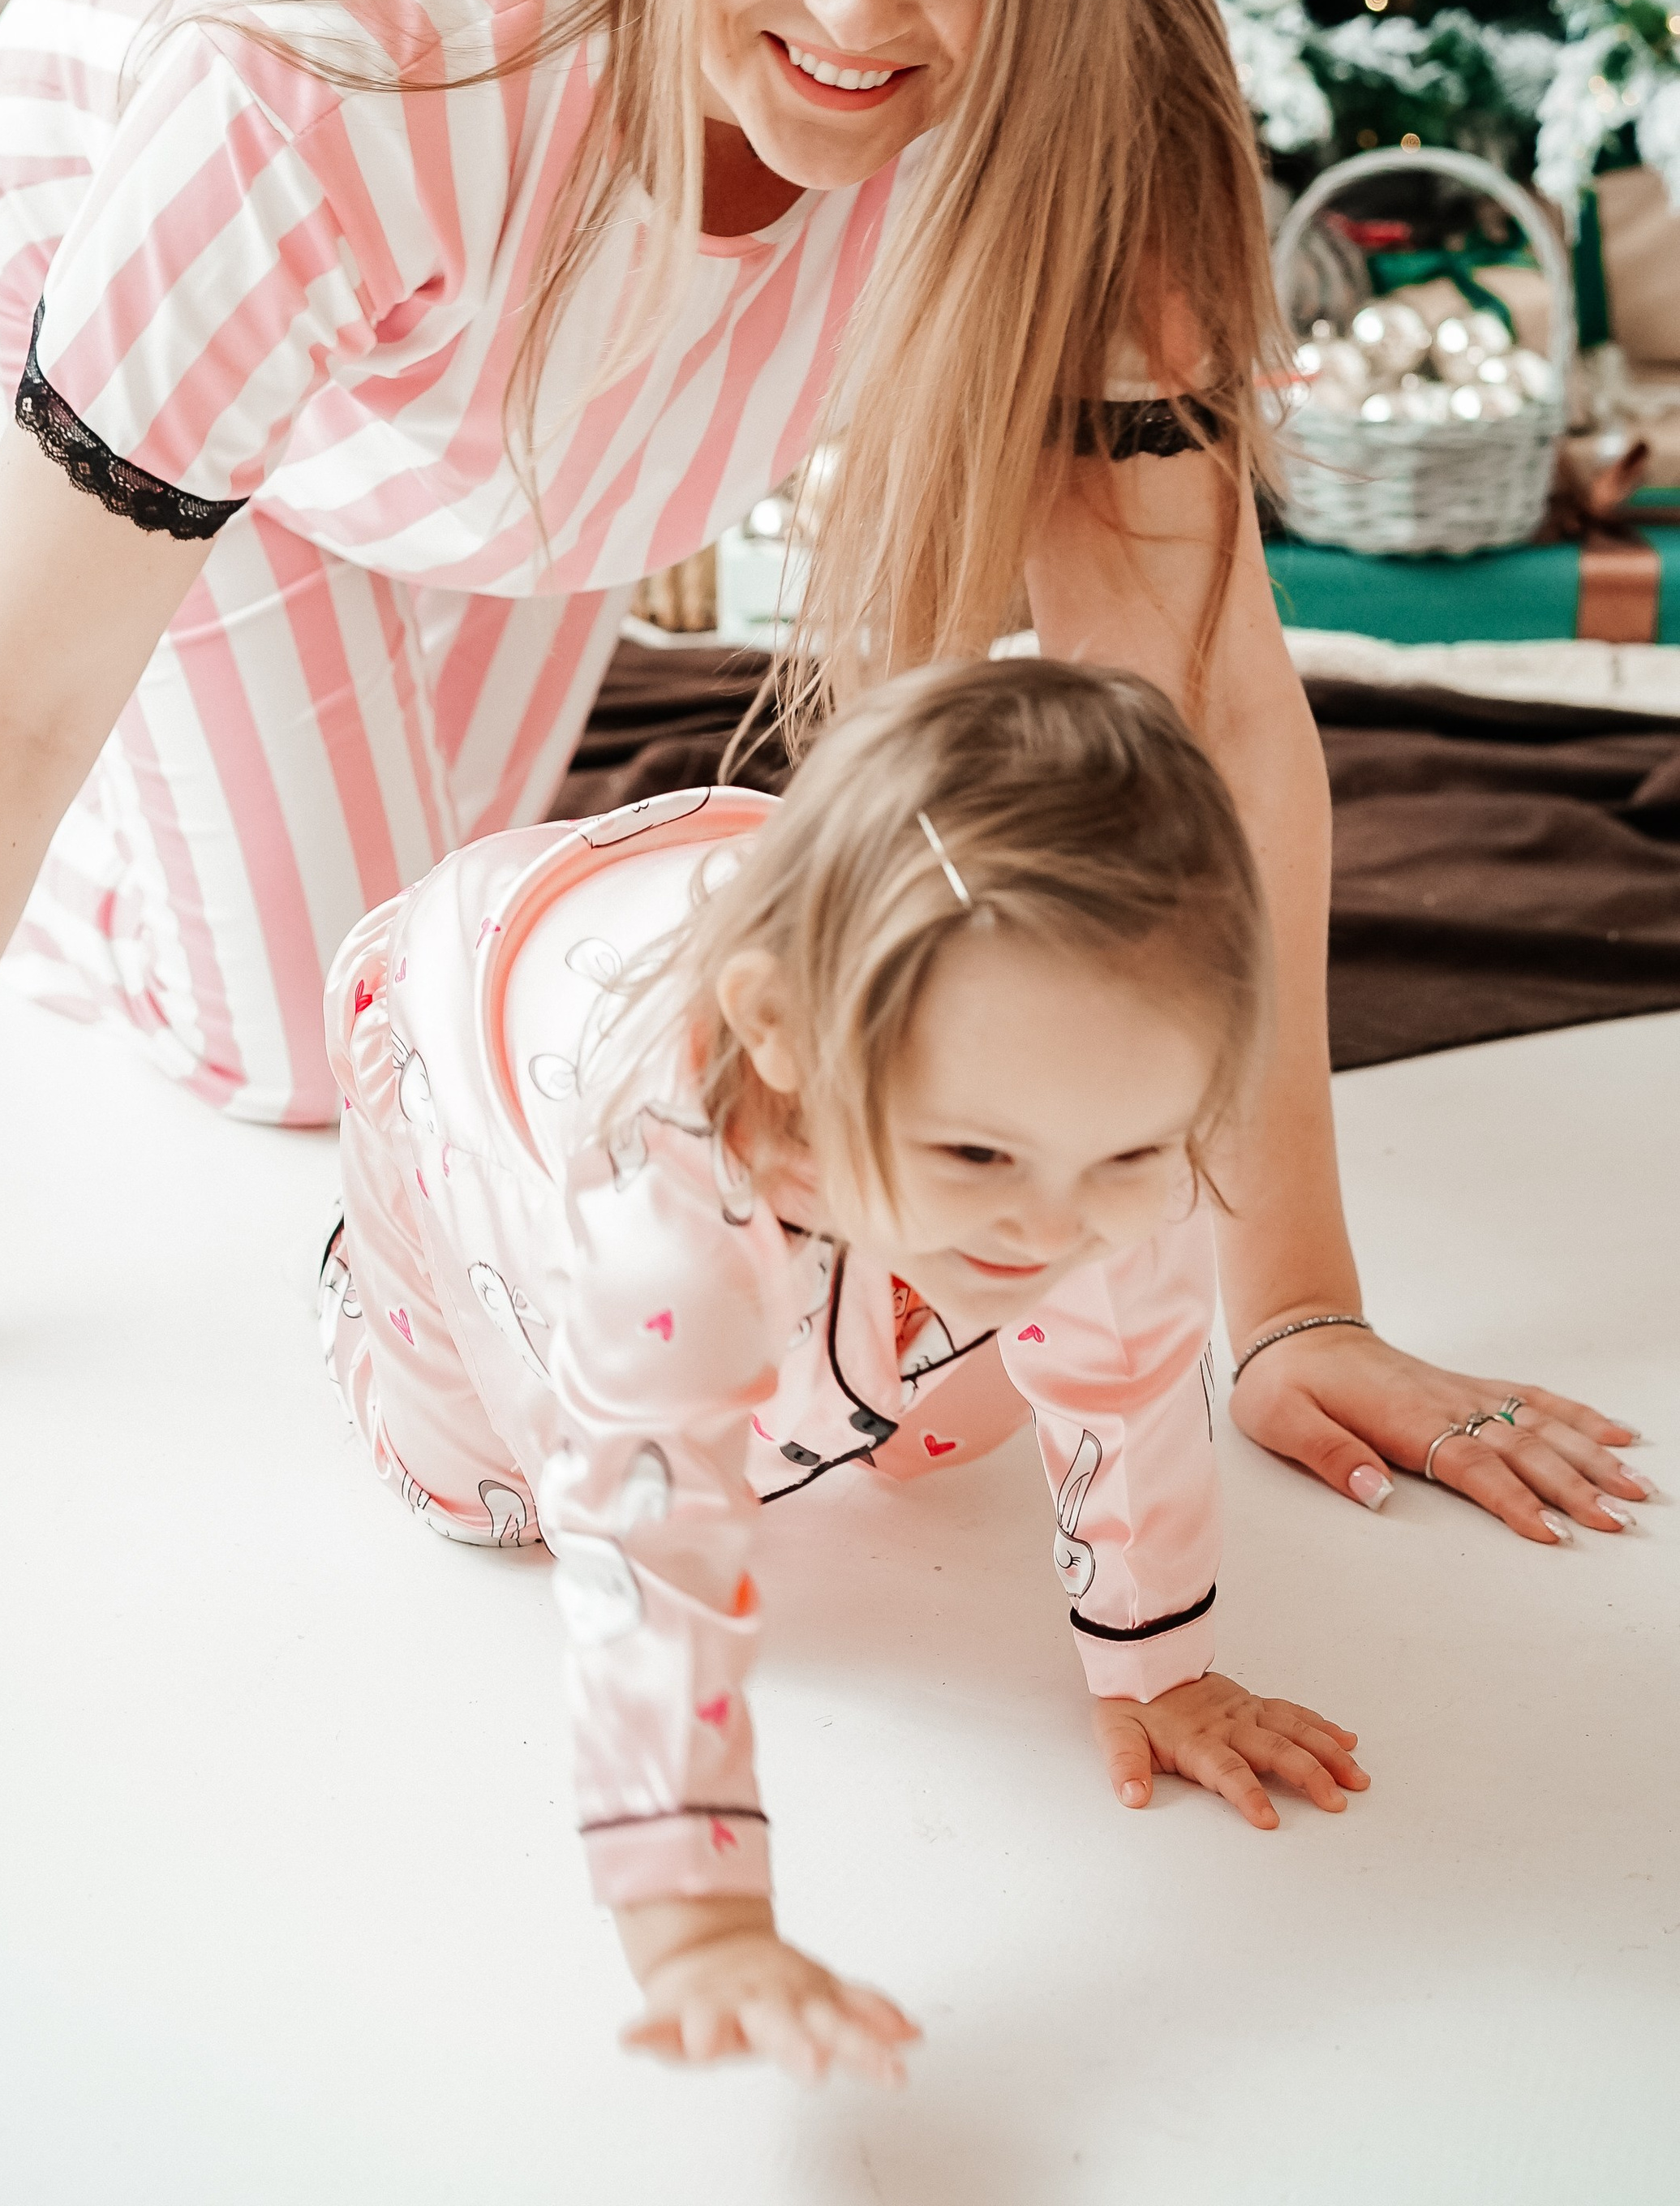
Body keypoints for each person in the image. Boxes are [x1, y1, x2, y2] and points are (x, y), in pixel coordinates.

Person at [0, 0, 1642, 1540]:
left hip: (545, 457)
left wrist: (1288, 1310)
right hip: (168, 240)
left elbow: (1193, 687)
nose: (859, 13)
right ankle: (105, 851)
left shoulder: (1093, 96)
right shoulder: (344, 62)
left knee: (439, 930)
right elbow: (17, 700)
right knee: (303, 1040)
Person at [322, 657, 1372, 2083]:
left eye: (1127, 1155)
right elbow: (657, 1552)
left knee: (947, 1412)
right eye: (980, 1156)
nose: (1060, 1220)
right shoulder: (655, 1193)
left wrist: (1154, 1661)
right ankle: (366, 1282)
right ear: (781, 1041)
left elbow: (1128, 1362)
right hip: (476, 1015)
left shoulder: (1099, 1101)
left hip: (812, 1000)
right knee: (502, 1498)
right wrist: (700, 1928)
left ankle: (885, 1270)